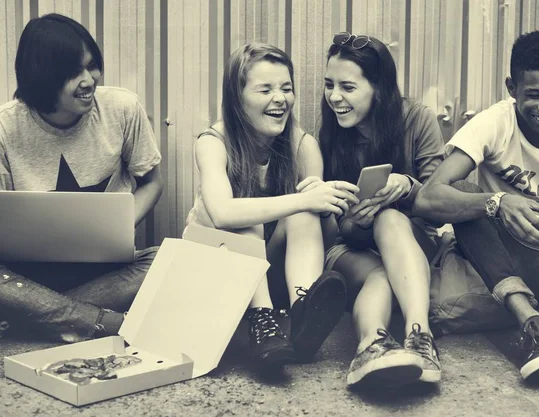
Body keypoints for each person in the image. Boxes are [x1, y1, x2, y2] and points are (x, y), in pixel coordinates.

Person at [414, 30, 539, 380]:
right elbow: (428, 196)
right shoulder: (493, 122)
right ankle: (533, 327)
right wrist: (497, 202)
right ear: (511, 88)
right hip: (507, 259)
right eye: (534, 95)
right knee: (464, 191)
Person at [184, 42, 360, 370]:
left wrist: (324, 207)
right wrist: (303, 198)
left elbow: (326, 235)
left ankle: (304, 309)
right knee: (245, 215)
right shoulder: (213, 143)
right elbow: (222, 213)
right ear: (237, 98)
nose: (280, 98)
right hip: (214, 269)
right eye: (265, 89)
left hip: (273, 270)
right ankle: (262, 321)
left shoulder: (303, 145)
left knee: (303, 210)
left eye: (286, 88)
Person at [0, 14, 163, 342]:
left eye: (92, 66)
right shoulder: (6, 127)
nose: (89, 80)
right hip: (26, 276)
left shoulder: (121, 108)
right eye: (74, 72)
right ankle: (90, 319)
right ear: (42, 79)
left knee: (170, 260)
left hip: (105, 270)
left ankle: (34, 319)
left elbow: (153, 182)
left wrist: (116, 225)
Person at [305, 32, 445, 389]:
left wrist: (408, 187)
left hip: (413, 243)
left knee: (390, 216)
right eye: (329, 84)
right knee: (380, 271)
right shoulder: (330, 135)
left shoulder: (417, 120)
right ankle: (372, 345)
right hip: (352, 252)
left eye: (348, 87)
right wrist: (352, 221)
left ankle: (420, 338)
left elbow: (441, 204)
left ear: (379, 89)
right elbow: (335, 233)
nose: (335, 97)